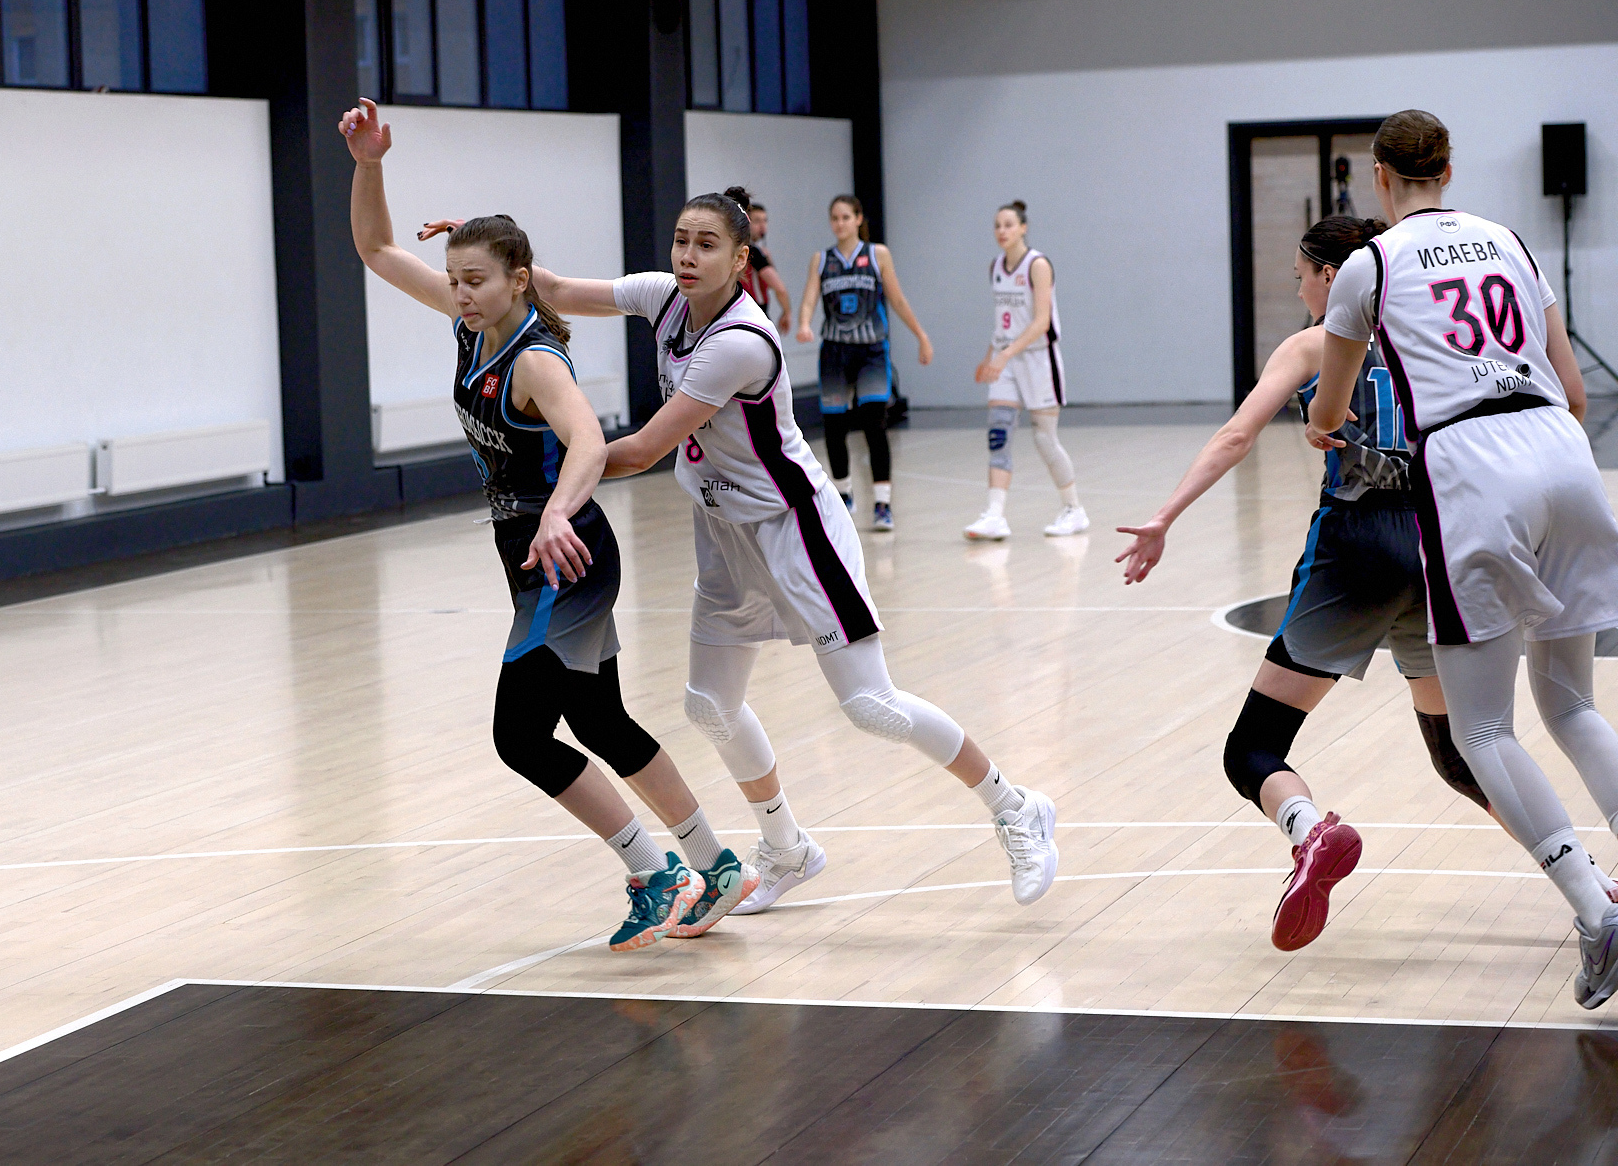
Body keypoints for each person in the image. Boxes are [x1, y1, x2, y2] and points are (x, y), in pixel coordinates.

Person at [524, 184, 1058, 914]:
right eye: (681, 240)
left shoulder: (739, 342)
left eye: (707, 244)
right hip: (723, 531)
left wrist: (550, 484)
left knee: (872, 705)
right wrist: (494, 261)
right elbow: (553, 290)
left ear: (741, 259)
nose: (687, 255)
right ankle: (786, 847)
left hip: (795, 528)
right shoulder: (664, 297)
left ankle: (1016, 806)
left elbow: (645, 448)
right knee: (710, 705)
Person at [339, 98, 756, 952]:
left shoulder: (532, 358)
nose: (460, 292)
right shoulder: (473, 325)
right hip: (534, 550)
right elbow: (376, 249)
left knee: (520, 735)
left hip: (566, 553)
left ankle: (652, 871)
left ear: (519, 281)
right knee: (598, 721)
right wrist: (369, 165)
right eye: (455, 279)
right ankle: (716, 864)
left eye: (476, 279)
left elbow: (589, 441)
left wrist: (559, 511)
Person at [1116, 214, 1499, 952]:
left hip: (1357, 549)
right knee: (1460, 755)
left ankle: (1310, 829)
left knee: (1251, 749)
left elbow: (1237, 435)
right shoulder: (1436, 338)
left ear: (1333, 276)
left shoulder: (1313, 344)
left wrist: (1164, 516)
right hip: (1439, 548)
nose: (1299, 291)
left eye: (1301, 276)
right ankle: (1589, 882)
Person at [1307, 109, 1618, 1008]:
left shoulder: (1369, 264)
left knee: (1481, 730)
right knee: (1571, 704)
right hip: (1564, 452)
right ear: (1448, 169)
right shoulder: (1510, 241)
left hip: (1474, 470)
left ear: (1379, 177)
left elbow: (1331, 404)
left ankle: (1598, 912)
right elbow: (1575, 388)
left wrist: (1325, 427)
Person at [794, 194, 933, 532]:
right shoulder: (821, 260)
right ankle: (844, 495)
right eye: (835, 218)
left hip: (871, 350)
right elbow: (809, 297)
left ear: (858, 219)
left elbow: (896, 298)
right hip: (835, 352)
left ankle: (882, 504)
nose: (840, 223)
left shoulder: (877, 254)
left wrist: (921, 335)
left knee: (874, 424)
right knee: (834, 426)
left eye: (846, 217)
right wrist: (804, 323)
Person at [965, 202, 1086, 541]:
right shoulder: (995, 267)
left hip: (1038, 359)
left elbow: (1041, 322)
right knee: (998, 434)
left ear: (1023, 228)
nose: (1001, 231)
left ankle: (1074, 509)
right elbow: (1002, 320)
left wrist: (1005, 354)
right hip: (1005, 358)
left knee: (1045, 440)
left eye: (1008, 224)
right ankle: (994, 514)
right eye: (997, 225)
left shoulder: (1038, 265)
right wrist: (991, 356)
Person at [742, 203, 793, 333]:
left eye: (765, 220)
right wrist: (787, 312)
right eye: (757, 221)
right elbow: (778, 287)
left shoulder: (747, 250)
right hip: (756, 313)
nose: (762, 225)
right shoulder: (753, 252)